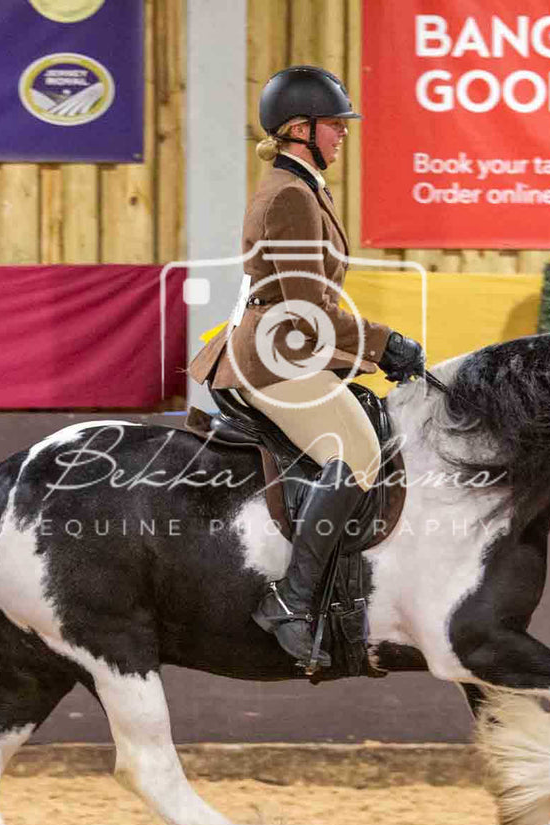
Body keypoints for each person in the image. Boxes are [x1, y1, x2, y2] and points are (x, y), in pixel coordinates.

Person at [187, 65, 426, 668]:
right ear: (300, 128)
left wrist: (370, 349)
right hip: (275, 357)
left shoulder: (303, 187)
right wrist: (383, 343)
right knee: (361, 455)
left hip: (288, 347)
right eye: (335, 125)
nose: (344, 134)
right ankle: (291, 601)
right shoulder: (291, 195)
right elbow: (302, 308)